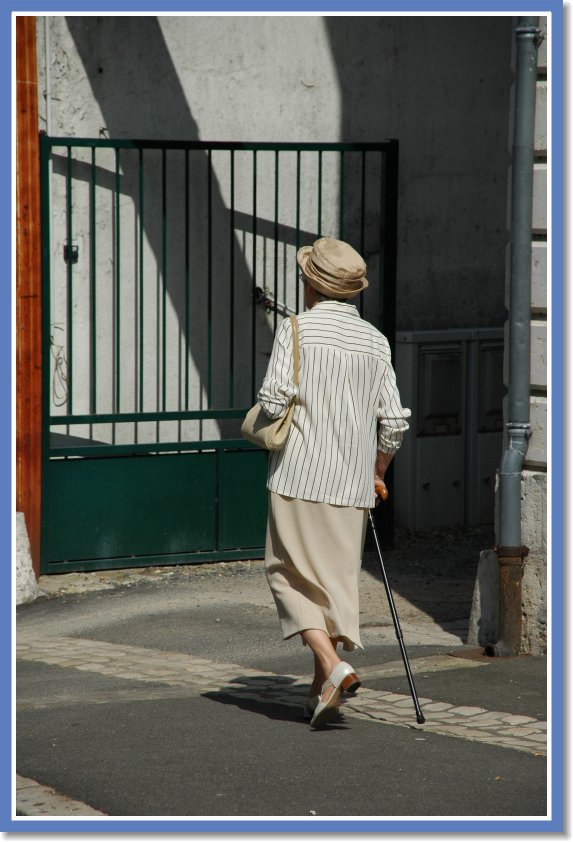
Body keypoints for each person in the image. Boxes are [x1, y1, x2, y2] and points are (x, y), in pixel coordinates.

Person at [257, 237, 410, 728]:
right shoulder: (376, 340)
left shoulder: (295, 330)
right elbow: (394, 424)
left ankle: (333, 664)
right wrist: (377, 473)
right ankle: (323, 685)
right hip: (350, 487)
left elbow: (275, 402)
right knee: (331, 585)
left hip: (300, 477)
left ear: (310, 283)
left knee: (287, 573)